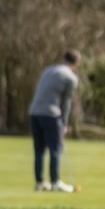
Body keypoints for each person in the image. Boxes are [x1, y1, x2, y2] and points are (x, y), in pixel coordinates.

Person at [28, 50, 80, 192]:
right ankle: (55, 182)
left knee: (39, 150)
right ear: (76, 63)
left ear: (64, 59)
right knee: (55, 149)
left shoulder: (48, 70)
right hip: (51, 114)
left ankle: (40, 182)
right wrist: (64, 123)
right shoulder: (71, 78)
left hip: (34, 112)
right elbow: (66, 102)